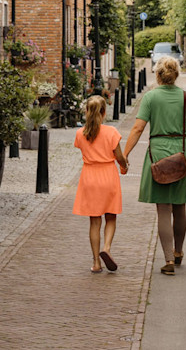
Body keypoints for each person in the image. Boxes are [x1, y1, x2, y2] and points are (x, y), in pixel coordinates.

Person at [122, 57, 186, 275]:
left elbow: (137, 129)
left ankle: (168, 260)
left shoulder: (150, 97)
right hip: (182, 151)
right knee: (180, 205)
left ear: (158, 75)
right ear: (176, 74)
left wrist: (124, 155)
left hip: (158, 152)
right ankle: (179, 252)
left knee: (163, 208)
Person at [73, 96, 128, 273]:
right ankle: (107, 248)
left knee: (94, 222)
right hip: (108, 175)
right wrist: (124, 165)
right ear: (104, 113)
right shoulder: (111, 132)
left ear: (86, 112)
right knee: (110, 217)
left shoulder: (80, 133)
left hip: (89, 177)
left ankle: (96, 262)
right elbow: (119, 156)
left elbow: (83, 147)